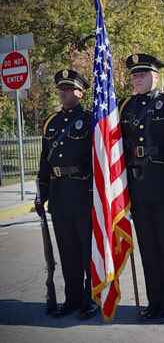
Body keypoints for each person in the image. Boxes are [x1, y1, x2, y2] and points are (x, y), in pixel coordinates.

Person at [118, 53, 164, 323]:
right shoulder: (124, 107)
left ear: (156, 76)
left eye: (142, 74)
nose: (138, 79)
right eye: (134, 75)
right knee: (148, 247)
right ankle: (153, 300)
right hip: (137, 185)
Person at [35, 69, 98, 319]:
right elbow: (44, 165)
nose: (64, 93)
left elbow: (98, 162)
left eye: (69, 89)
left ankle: (91, 298)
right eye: (61, 89)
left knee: (86, 252)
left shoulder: (92, 120)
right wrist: (42, 195)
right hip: (60, 196)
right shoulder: (51, 123)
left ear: (81, 93)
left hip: (83, 194)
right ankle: (72, 299)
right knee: (68, 252)